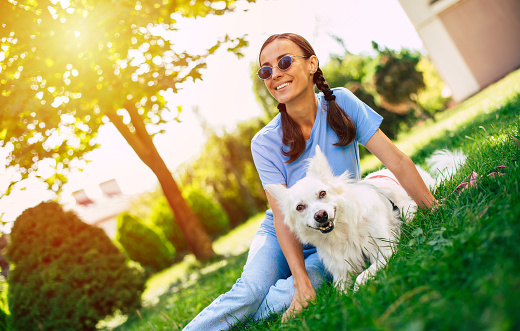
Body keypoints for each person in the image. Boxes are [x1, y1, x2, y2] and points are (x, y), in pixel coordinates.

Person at [182, 33, 436, 330]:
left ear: (312, 63)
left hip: (334, 229)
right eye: (266, 70)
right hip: (283, 232)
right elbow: (280, 214)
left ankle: (263, 305)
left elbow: (396, 161)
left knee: (283, 298)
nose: (275, 74)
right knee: (250, 291)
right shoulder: (264, 142)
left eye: (284, 62)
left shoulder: (341, 103)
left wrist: (432, 205)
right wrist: (300, 278)